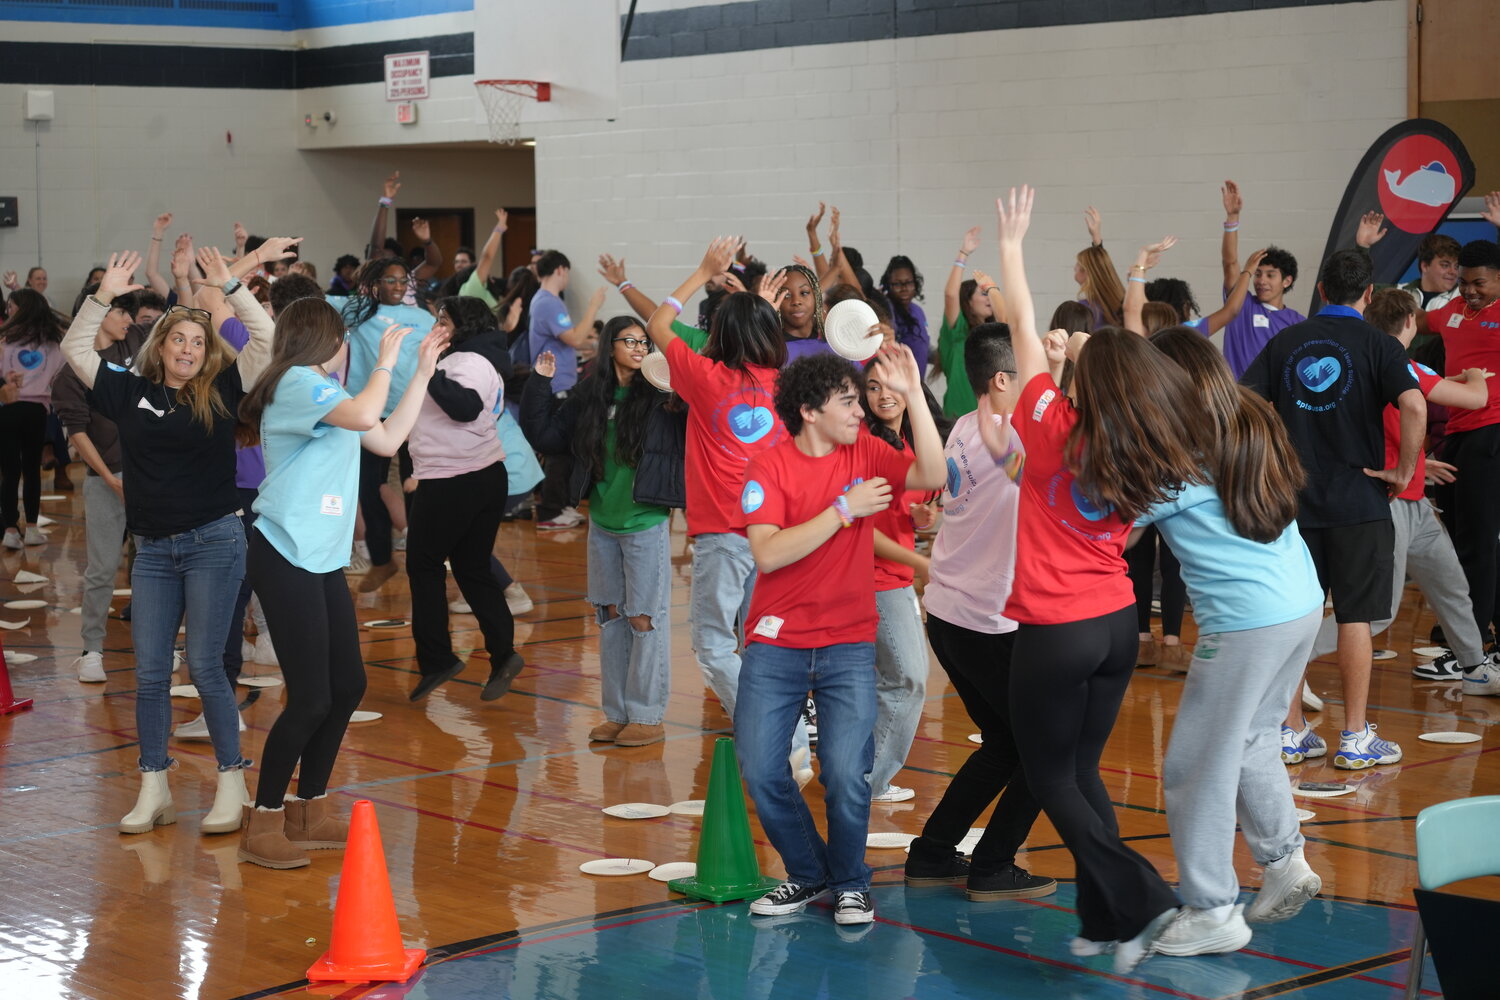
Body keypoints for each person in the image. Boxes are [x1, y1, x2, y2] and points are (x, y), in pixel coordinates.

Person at [995, 186, 1202, 973]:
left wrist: (1013, 249)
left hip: (1056, 630)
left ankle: (1142, 897)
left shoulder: (1050, 427)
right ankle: (1107, 918)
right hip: (1117, 622)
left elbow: (1019, 325)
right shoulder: (1150, 448)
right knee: (1081, 772)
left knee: (1049, 776)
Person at [61, 240, 295, 836]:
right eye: (178, 340)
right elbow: (74, 347)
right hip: (154, 552)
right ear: (160, 347)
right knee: (147, 673)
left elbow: (268, 343)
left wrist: (234, 287)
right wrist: (103, 296)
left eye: (197, 342)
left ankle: (231, 780)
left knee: (207, 666)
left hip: (216, 540)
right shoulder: (126, 390)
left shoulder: (223, 389)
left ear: (206, 351)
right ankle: (154, 784)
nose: (188, 349)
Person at [735, 346, 943, 928]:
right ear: (809, 410)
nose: (861, 409)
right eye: (847, 400)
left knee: (848, 773)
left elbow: (932, 473)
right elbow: (769, 552)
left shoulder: (867, 450)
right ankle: (808, 872)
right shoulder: (768, 466)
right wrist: (842, 511)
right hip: (776, 643)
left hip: (848, 642)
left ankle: (851, 882)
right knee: (760, 768)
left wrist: (915, 392)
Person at [236, 300, 446, 868]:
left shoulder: (325, 392)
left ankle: (310, 809)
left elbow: (385, 438)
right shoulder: (297, 383)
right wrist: (385, 362)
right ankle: (264, 823)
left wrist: (421, 372)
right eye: (342, 337)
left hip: (321, 559)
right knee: (310, 698)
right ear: (324, 340)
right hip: (285, 554)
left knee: (347, 686)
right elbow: (364, 418)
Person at [1139, 327, 1325, 956]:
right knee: (1252, 739)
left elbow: (1103, 519)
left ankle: (1211, 906)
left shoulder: (1171, 452)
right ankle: (1284, 861)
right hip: (1299, 603)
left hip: (1246, 621)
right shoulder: (1249, 417)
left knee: (1195, 764)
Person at [1242, 248, 1424, 770]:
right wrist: (1404, 471)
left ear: (1320, 290)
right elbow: (1414, 403)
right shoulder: (1379, 343)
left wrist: (1268, 464)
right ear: (1369, 296)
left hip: (1293, 502)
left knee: (1299, 617)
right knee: (1355, 618)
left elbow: (1242, 402)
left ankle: (1291, 731)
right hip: (1358, 501)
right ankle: (1354, 737)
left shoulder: (1287, 340)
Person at [645, 239, 813, 771]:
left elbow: (657, 325)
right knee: (760, 644)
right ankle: (790, 742)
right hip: (776, 536)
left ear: (719, 335)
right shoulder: (784, 386)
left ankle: (780, 739)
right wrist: (760, 304)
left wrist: (702, 272)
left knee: (715, 646)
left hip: (722, 535)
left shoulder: (706, 378)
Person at [903, 319, 1055, 901]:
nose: (1039, 384)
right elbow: (1038, 465)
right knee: (1044, 751)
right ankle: (991, 865)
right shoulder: (1012, 434)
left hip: (948, 614)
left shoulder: (966, 426)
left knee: (1003, 745)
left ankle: (934, 853)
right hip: (989, 623)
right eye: (1029, 374)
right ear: (1000, 379)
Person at [1293, 290, 1500, 703]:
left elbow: (1416, 400)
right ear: (1409, 322)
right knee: (1377, 612)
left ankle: (1475, 667)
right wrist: (1475, 373)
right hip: (1391, 501)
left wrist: (1422, 461)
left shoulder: (1378, 364)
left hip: (1415, 500)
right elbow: (1474, 397)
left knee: (1452, 584)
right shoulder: (1396, 363)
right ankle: (1294, 666)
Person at [523, 316, 683, 745]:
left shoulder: (662, 397)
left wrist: (671, 375)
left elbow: (692, 421)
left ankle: (647, 716)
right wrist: (539, 382)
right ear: (609, 346)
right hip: (603, 524)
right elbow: (545, 435)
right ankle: (617, 713)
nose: (637, 347)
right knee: (611, 618)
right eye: (628, 340)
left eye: (644, 342)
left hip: (645, 523)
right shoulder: (590, 396)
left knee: (644, 618)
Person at [403, 296, 523, 703]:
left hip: (455, 481)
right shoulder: (472, 357)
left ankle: (437, 658)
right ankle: (503, 653)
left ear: (463, 324)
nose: (437, 323)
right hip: (479, 476)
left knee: (424, 565)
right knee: (472, 569)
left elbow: (465, 408)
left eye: (444, 317)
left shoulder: (468, 361)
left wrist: (427, 371)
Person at [53, 290, 150, 683]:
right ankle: (91, 650)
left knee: (152, 566)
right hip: (105, 480)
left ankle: (158, 646)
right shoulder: (70, 375)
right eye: (120, 311)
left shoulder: (135, 342)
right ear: (93, 316)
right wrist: (111, 480)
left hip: (149, 477)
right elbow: (77, 433)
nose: (128, 319)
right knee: (102, 569)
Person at [861, 356, 941, 803]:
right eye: (873, 386)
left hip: (895, 574)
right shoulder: (866, 444)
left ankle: (860, 776)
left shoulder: (908, 440)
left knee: (892, 678)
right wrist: (922, 563)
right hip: (876, 579)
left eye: (890, 384)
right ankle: (868, 781)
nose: (883, 394)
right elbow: (861, 532)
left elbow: (915, 495)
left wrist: (919, 517)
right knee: (908, 678)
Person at [332, 255, 435, 592]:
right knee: (367, 488)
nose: (398, 286)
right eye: (390, 280)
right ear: (374, 284)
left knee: (416, 489)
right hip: (372, 414)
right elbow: (306, 301)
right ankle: (382, 559)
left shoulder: (422, 316)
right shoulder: (358, 310)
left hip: (414, 414)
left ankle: (424, 561)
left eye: (403, 280)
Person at [1427, 240, 1500, 653]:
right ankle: (1475, 628)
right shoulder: (1452, 311)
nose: (1471, 290)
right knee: (1458, 539)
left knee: (1478, 539)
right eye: (1465, 282)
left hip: (1490, 431)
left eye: (1480, 283)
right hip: (1454, 434)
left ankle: (1470, 639)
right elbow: (1413, 321)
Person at [529, 250, 605, 530]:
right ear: (561, 270)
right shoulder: (549, 303)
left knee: (566, 448)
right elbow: (573, 338)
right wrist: (594, 307)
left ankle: (559, 505)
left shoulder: (545, 302)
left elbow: (568, 342)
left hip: (559, 383)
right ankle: (550, 511)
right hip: (556, 385)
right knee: (560, 450)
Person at [0, 288, 67, 549]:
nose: (8, 310)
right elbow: (60, 375)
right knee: (31, 471)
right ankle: (31, 529)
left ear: (21, 308)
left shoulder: (5, 341)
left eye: (11, 306)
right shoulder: (53, 342)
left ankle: (9, 530)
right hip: (37, 412)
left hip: (7, 408)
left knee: (9, 471)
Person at [1218, 180, 1305, 378]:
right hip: (1236, 401)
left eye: (1270, 275)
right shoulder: (1241, 304)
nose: (1261, 280)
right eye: (1257, 274)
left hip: (1272, 406)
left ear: (1287, 281)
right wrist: (1232, 218)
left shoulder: (1298, 322)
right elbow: (1230, 263)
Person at [936, 227, 1000, 418]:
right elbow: (950, 294)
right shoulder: (958, 331)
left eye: (991, 292)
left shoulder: (994, 334)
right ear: (968, 302)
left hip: (990, 422)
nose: (989, 297)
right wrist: (963, 253)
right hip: (957, 421)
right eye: (983, 293)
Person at [878, 256, 929, 374]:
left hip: (918, 384)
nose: (904, 289)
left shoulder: (918, 311)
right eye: (897, 284)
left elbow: (921, 344)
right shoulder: (887, 312)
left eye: (909, 283)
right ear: (888, 286)